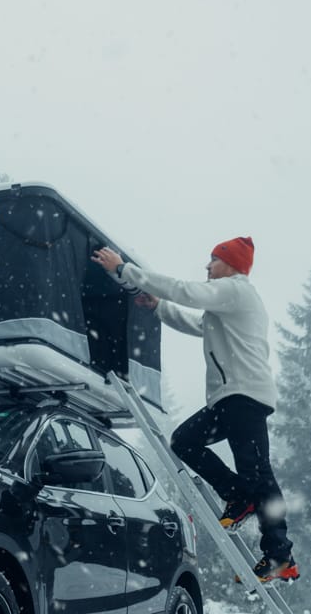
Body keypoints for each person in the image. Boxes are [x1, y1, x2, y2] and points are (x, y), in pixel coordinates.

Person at [92, 236, 298, 583]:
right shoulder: (227, 304)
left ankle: (279, 554)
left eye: (213, 260)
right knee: (185, 441)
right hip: (230, 398)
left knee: (259, 474)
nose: (207, 266)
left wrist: (124, 269)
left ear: (231, 265)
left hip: (244, 396)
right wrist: (157, 306)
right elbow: (197, 325)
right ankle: (237, 496)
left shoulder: (236, 290)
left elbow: (185, 291)